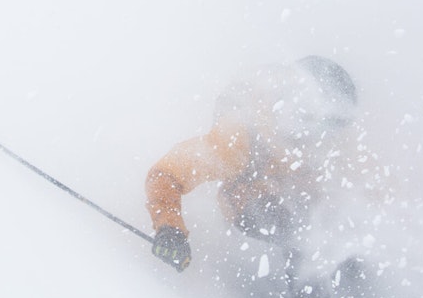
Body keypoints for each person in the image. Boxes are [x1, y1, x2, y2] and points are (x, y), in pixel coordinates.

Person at [145, 56, 361, 279]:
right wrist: (170, 230)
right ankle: (306, 287)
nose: (321, 136)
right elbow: (166, 174)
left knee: (338, 220)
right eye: (319, 125)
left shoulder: (325, 145)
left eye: (331, 128)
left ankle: (341, 274)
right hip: (247, 198)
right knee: (295, 223)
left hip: (286, 186)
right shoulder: (239, 137)